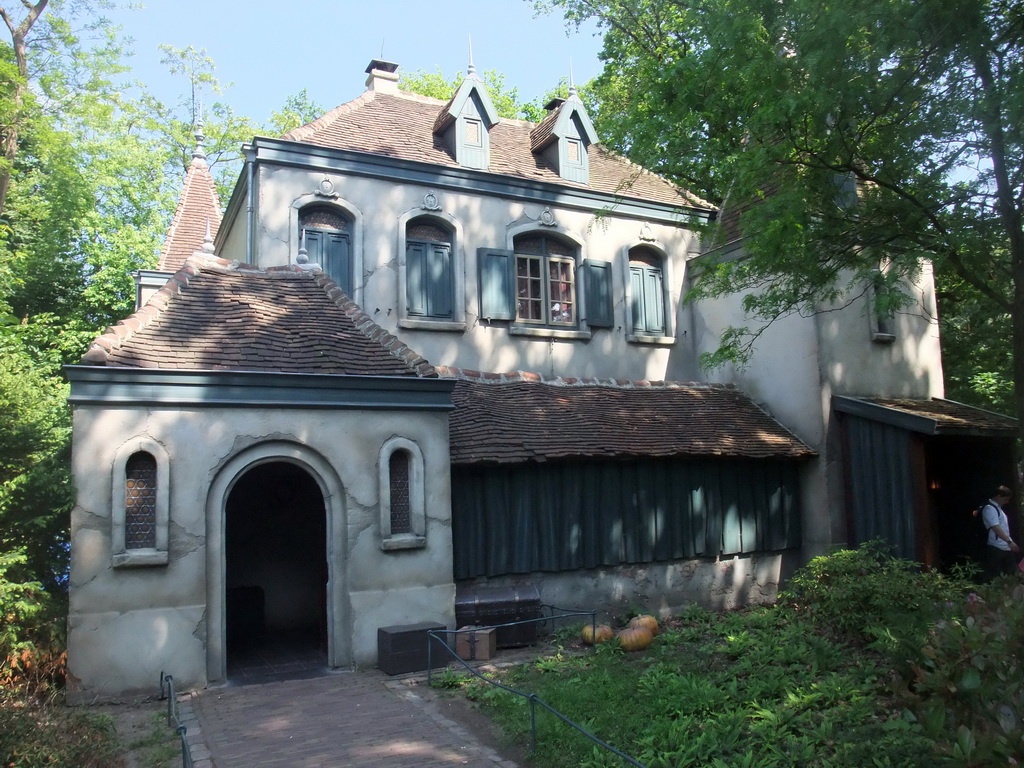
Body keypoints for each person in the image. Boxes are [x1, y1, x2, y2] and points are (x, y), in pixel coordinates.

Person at [982, 485, 1019, 580]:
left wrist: (1010, 542)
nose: (1007, 502)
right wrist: (1009, 541)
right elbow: (996, 527)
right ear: (999, 496)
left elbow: (1003, 528)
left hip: (1005, 546)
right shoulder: (989, 508)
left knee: (1012, 573)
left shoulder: (999, 509)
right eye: (1005, 499)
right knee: (996, 575)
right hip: (996, 547)